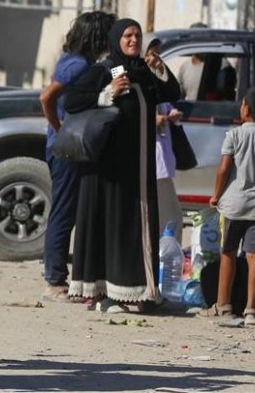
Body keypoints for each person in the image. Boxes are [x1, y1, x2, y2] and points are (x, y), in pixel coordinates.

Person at [64, 18, 181, 311]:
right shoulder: (106, 70)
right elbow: (72, 100)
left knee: (140, 227)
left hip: (139, 167)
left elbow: (171, 93)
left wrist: (160, 68)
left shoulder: (142, 72)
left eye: (137, 35)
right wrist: (107, 94)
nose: (133, 40)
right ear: (116, 38)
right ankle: (112, 295)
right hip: (111, 169)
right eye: (127, 35)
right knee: (115, 227)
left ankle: (143, 291)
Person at [38, 11, 116, 302]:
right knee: (64, 211)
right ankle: (55, 279)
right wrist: (59, 128)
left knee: (70, 210)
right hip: (68, 148)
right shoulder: (78, 64)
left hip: (70, 146)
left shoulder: (76, 60)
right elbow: (47, 97)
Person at [200, 88, 255, 325]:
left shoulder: (234, 135)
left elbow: (224, 169)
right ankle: (251, 310)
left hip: (233, 205)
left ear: (246, 109)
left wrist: (215, 195)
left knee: (228, 253)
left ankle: (224, 306)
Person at [145, 35, 185, 244]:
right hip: (149, 158)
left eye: (158, 53)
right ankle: (168, 254)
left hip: (160, 158)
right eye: (151, 53)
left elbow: (172, 94)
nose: (155, 58)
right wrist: (152, 119)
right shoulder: (127, 74)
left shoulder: (156, 78)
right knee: (172, 216)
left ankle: (165, 253)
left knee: (165, 216)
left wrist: (171, 115)